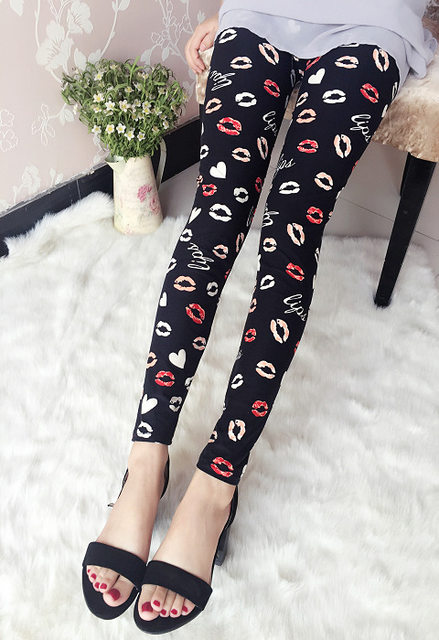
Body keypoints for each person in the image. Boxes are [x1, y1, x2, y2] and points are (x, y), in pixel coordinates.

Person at [82, 0, 437, 633]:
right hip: (265, 9)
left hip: (373, 23)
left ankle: (216, 484)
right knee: (212, 219)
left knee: (291, 229)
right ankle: (146, 463)